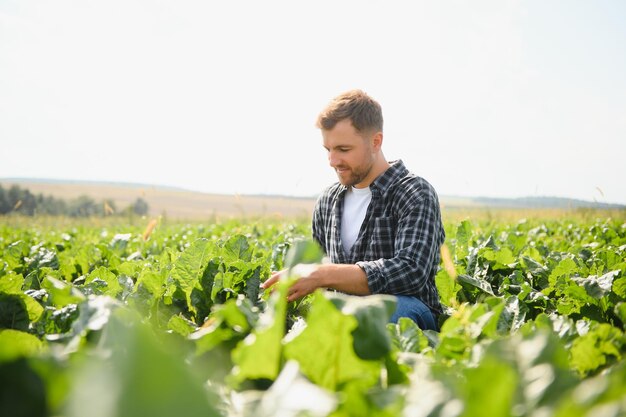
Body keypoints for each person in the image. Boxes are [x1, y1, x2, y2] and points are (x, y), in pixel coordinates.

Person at [262, 89, 445, 331]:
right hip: (341, 316)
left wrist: (321, 274)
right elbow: (321, 271)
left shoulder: (414, 192)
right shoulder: (327, 200)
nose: (333, 161)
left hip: (405, 313)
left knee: (387, 314)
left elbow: (411, 273)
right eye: (328, 150)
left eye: (343, 149)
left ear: (375, 142)